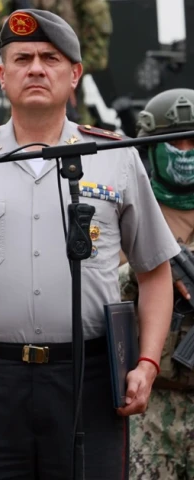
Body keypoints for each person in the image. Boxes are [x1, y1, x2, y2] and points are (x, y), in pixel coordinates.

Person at [0, 9, 177, 479]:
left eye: (50, 58)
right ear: (1, 75)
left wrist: (148, 363)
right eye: (22, 58)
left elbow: (154, 271)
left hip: (89, 379)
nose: (35, 68)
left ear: (75, 76)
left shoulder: (115, 156)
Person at [120, 88, 194, 480]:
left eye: (193, 141)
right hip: (152, 401)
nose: (185, 151)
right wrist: (151, 272)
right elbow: (98, 290)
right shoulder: (131, 207)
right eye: (174, 141)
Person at [0, 0, 112, 126]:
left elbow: (98, 56)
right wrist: (7, 25)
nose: (37, 68)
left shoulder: (86, 4)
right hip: (22, 108)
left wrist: (66, 72)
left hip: (69, 99)